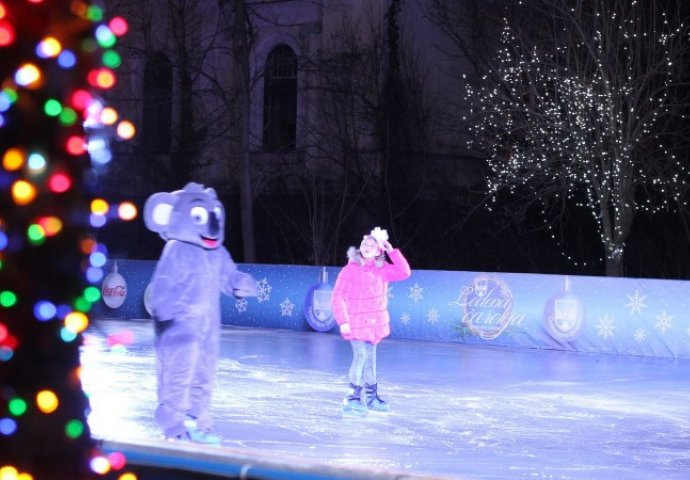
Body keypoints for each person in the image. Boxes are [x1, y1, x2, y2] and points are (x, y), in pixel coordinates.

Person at [143, 182, 257, 443]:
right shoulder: (177, 249)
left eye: (215, 216)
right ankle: (172, 422)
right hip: (178, 325)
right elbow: (164, 282)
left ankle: (196, 418)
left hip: (207, 326)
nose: (212, 226)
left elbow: (228, 275)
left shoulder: (217, 252)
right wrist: (165, 313)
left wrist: (238, 283)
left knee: (204, 373)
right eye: (200, 217)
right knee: (178, 373)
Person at [331, 227, 411, 417]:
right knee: (360, 357)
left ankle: (371, 398)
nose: (367, 246)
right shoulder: (350, 270)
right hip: (356, 323)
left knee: (371, 360)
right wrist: (343, 321)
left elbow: (405, 272)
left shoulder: (382, 270)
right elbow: (337, 296)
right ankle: (351, 400)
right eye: (364, 243)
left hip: (373, 325)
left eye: (372, 245)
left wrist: (392, 251)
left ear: (378, 251)